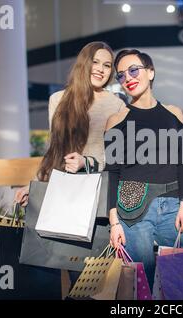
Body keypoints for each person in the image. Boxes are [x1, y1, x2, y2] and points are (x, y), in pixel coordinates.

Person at [104, 49, 183, 288]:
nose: (128, 78)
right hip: (132, 206)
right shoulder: (116, 120)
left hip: (172, 204)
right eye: (121, 75)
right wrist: (114, 222)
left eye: (134, 70)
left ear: (151, 72)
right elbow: (112, 172)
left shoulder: (174, 113)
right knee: (141, 283)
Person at [14, 41, 125, 206]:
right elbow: (55, 151)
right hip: (62, 189)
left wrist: (85, 162)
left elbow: (118, 159)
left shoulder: (117, 105)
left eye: (107, 65)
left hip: (97, 191)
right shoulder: (58, 100)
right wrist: (35, 185)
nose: (101, 69)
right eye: (95, 62)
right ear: (84, 63)